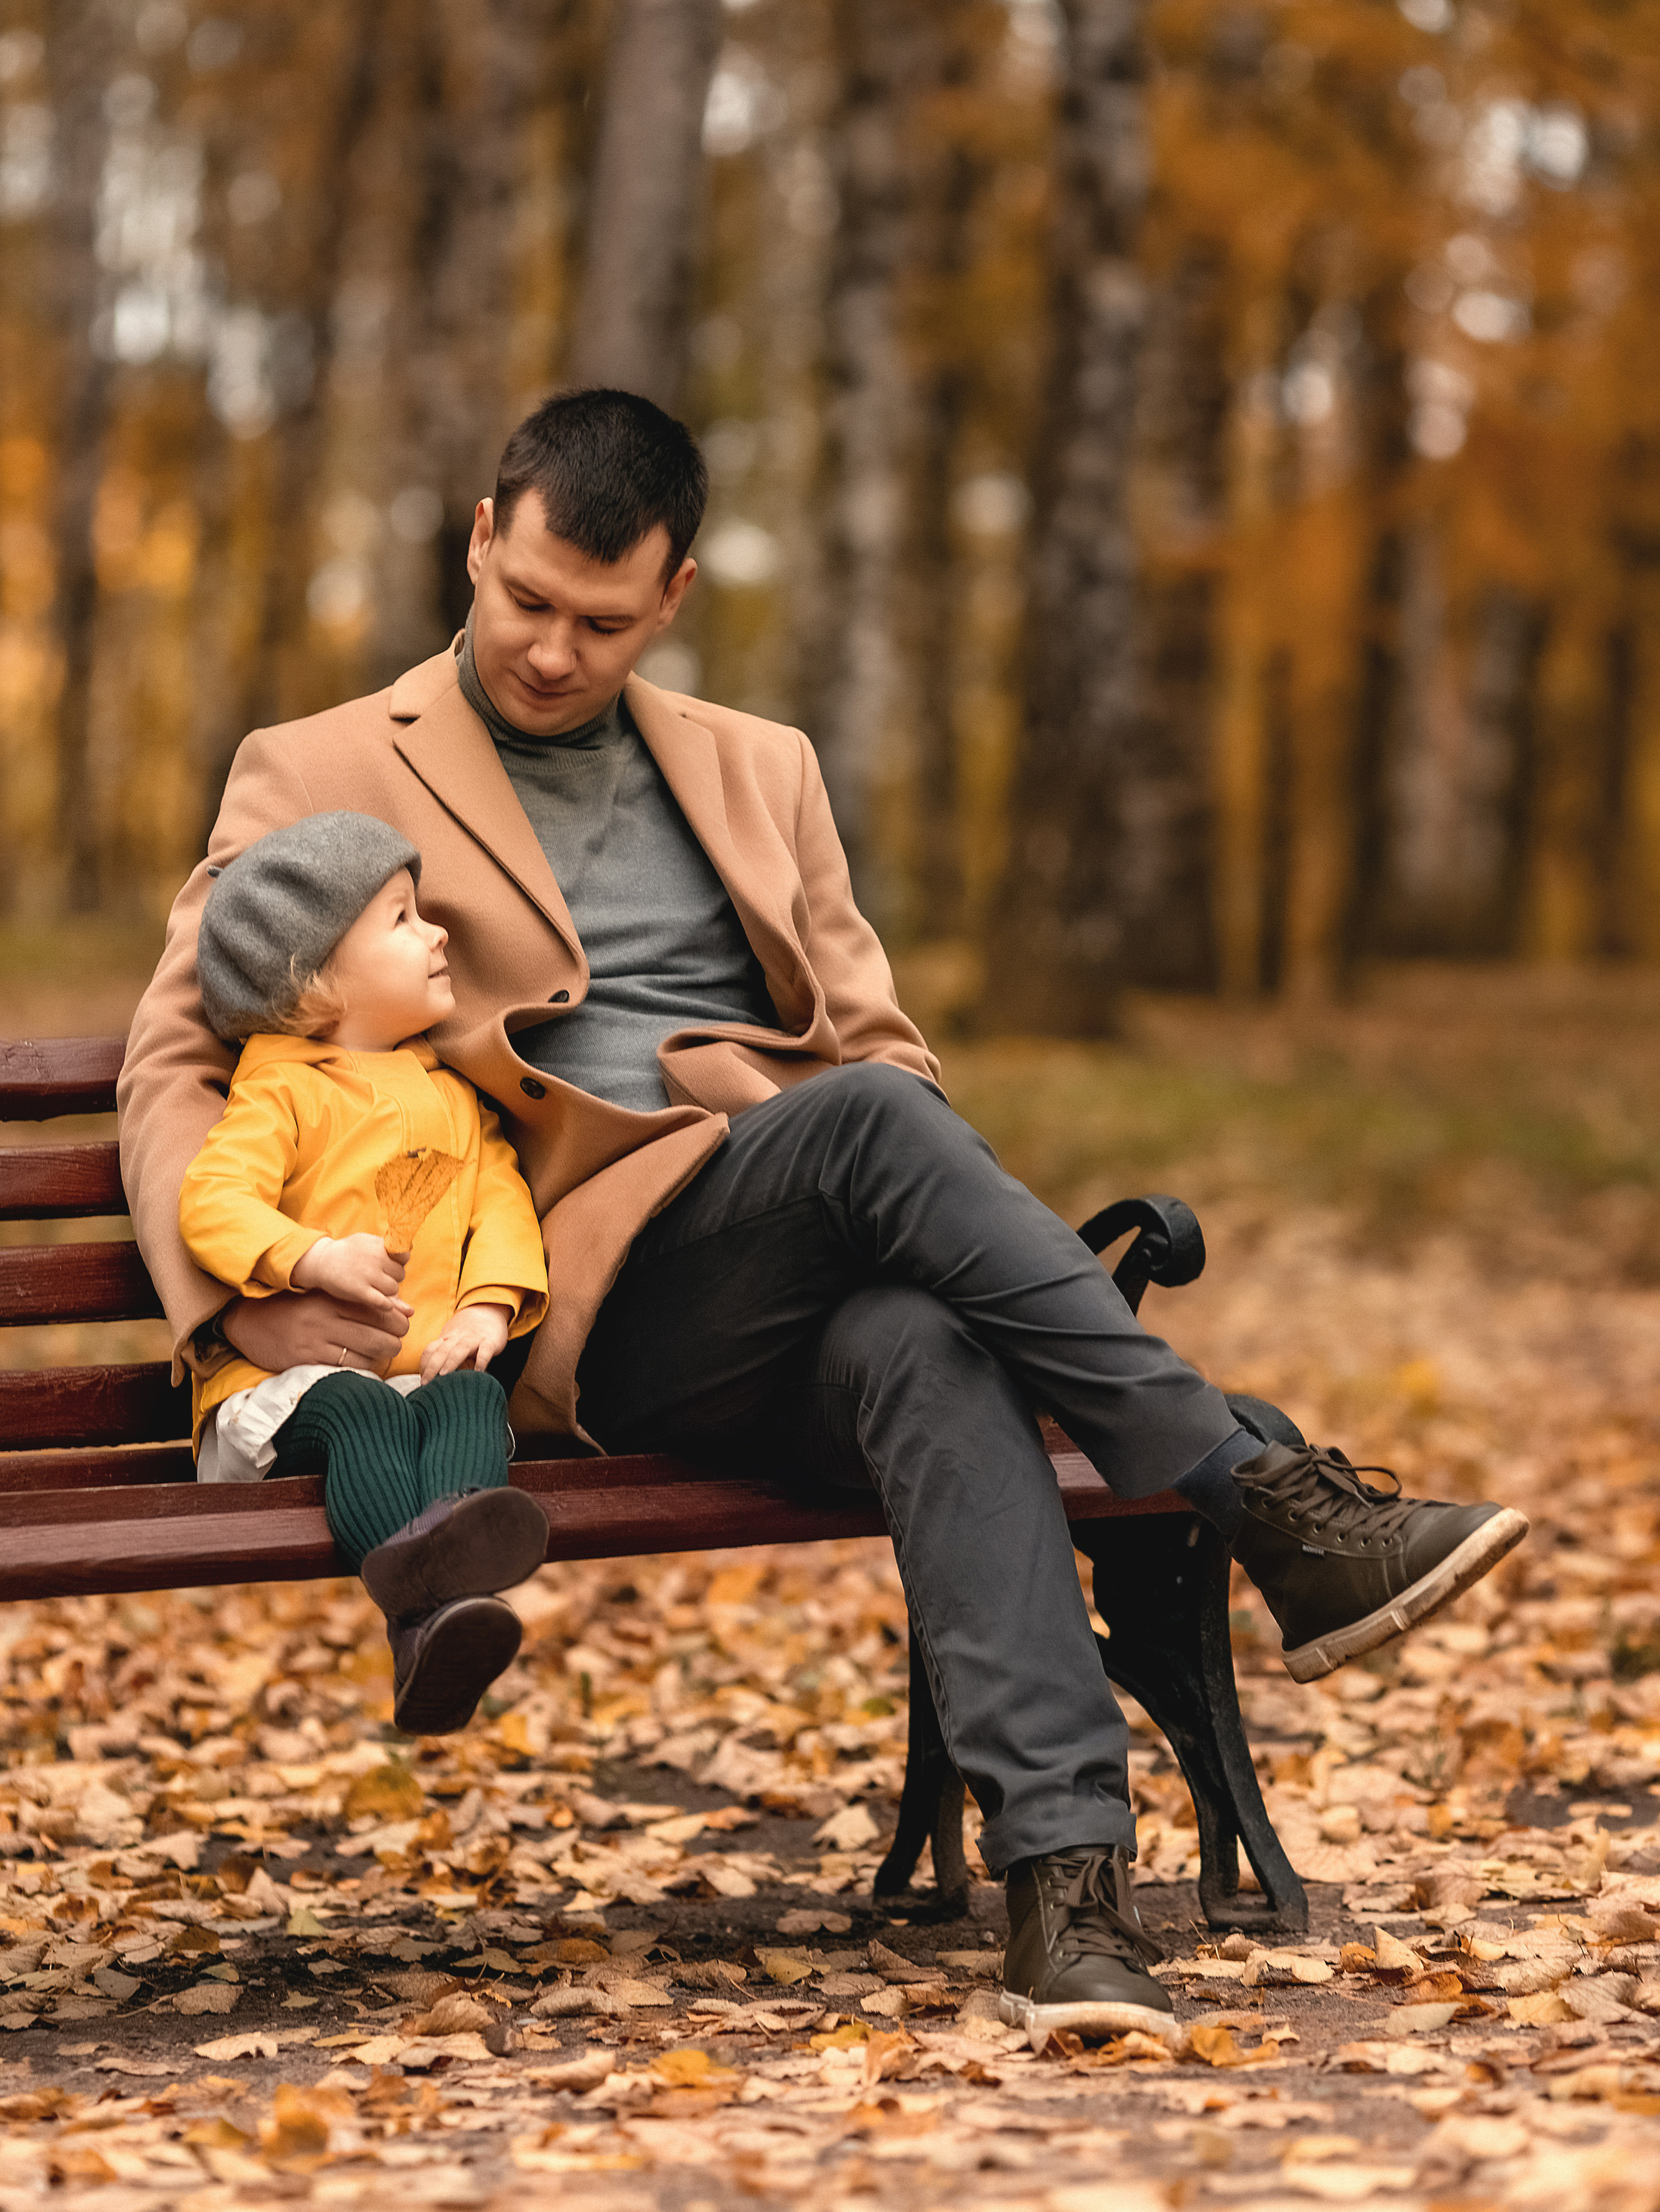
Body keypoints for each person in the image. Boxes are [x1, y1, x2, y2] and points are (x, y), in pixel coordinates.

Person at [119, 387, 1528, 2047]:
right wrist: (238, 1303)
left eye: (602, 621)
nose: (554, 654)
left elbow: (879, 1042)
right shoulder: (323, 767)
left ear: (675, 597)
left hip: (806, 1238)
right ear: (481, 539)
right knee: (862, 1125)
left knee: (924, 1333)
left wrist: (877, 1167)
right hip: (584, 1283)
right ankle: (1267, 1500)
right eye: (527, 604)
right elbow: (172, 1059)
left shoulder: (757, 767)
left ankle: (1065, 1895)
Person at [177, 808, 551, 1736]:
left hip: (411, 1374)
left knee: (469, 1399)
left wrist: (489, 1309)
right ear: (312, 987)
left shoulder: (454, 1098)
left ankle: (447, 1611)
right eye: (400, 918)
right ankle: (420, 1610)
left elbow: (501, 1202)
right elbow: (212, 1201)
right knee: (364, 1409)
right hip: (285, 1388)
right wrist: (308, 1256)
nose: (437, 933)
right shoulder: (282, 1089)